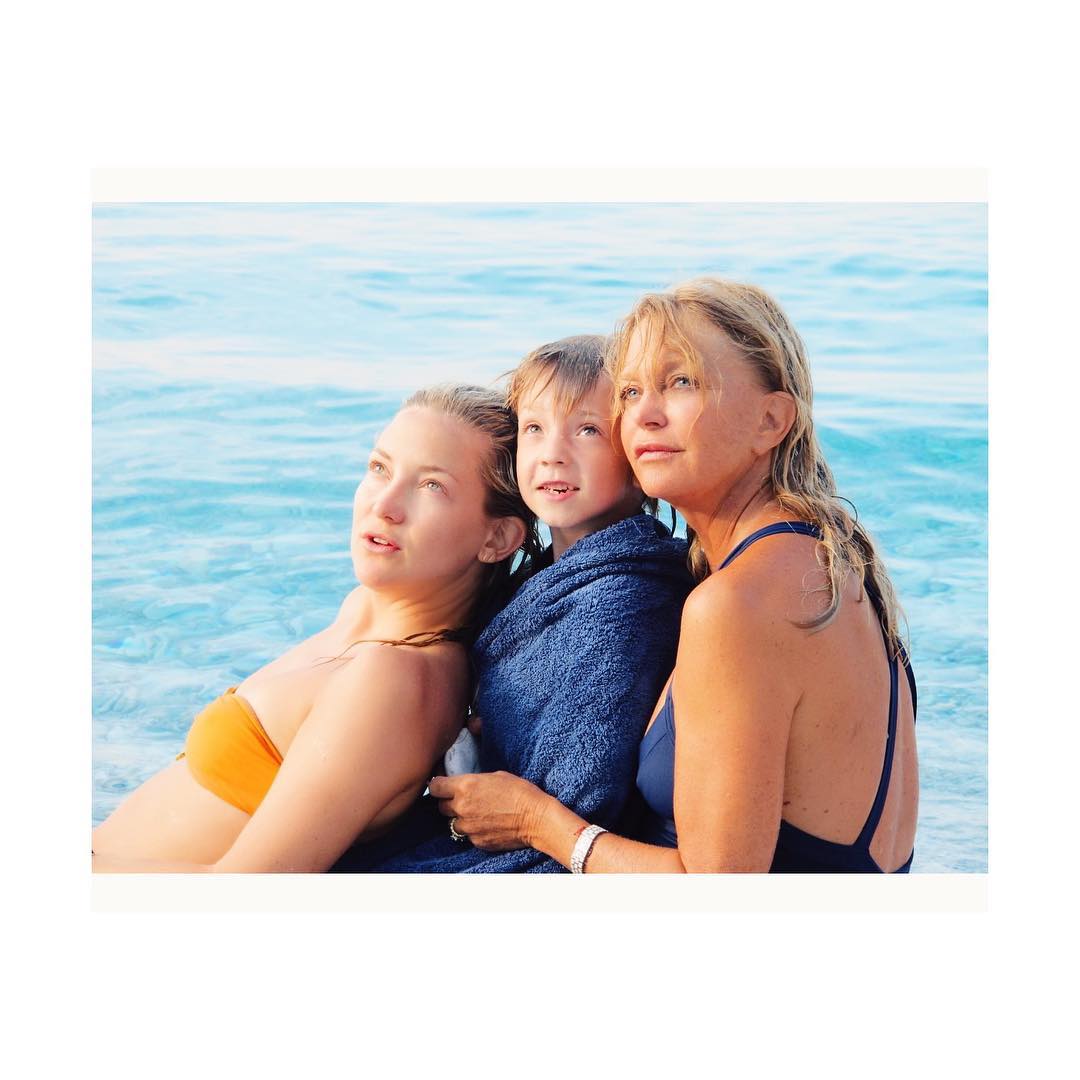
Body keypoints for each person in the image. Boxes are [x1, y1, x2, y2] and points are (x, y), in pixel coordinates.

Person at [428, 279, 920, 873]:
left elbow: (715, 893)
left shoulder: (737, 604)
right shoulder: (834, 559)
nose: (644, 416)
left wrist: (540, 823)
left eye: (680, 382)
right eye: (631, 392)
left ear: (771, 420)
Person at [92, 384, 535, 873]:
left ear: (497, 537)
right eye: (379, 468)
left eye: (432, 486)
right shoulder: (366, 613)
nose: (384, 504)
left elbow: (249, 891)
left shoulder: (397, 678)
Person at [334, 334, 693, 872]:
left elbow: (583, 795)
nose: (553, 453)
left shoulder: (622, 606)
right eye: (534, 429)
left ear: (639, 460)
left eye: (589, 431)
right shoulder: (548, 576)